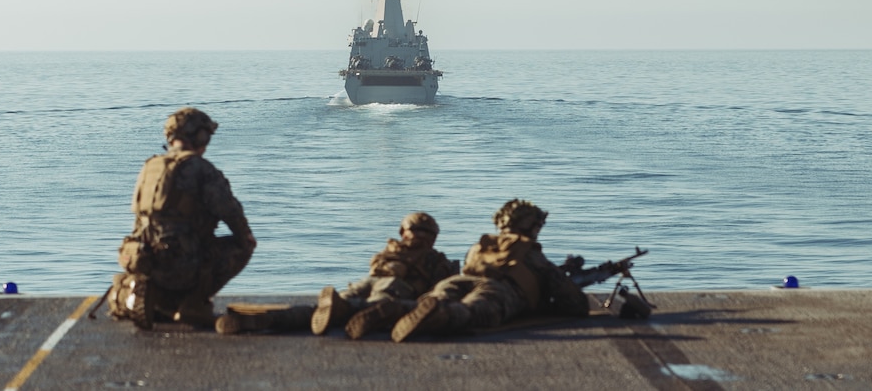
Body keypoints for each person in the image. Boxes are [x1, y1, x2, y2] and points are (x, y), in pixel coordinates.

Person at [108, 107, 256, 330]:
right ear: (200, 137)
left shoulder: (150, 167)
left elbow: (139, 220)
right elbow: (231, 212)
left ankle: (146, 296)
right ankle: (192, 303)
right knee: (243, 246)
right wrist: (245, 236)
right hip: (182, 265)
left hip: (145, 261)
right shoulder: (201, 169)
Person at [215, 212, 456, 339]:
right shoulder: (437, 259)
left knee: (320, 308)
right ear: (433, 237)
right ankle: (343, 310)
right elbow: (440, 292)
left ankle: (269, 320)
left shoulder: (390, 250)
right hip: (395, 289)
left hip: (367, 281)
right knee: (367, 309)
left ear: (403, 232)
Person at [391, 199, 589, 342]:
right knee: (471, 311)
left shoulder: (481, 245)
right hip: (496, 290)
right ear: (533, 227)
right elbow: (574, 304)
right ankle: (442, 315)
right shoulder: (532, 254)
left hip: (460, 280)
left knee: (435, 297)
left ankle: (396, 310)